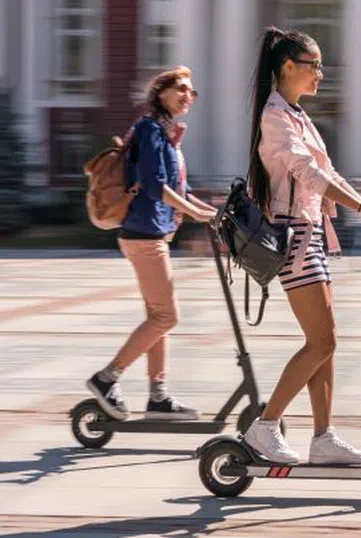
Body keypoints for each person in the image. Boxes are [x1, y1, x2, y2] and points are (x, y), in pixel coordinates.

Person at [241, 27, 361, 465]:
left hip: (311, 234)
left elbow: (329, 175)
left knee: (325, 342)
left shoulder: (297, 115)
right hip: (293, 239)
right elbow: (309, 175)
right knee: (322, 342)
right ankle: (265, 427)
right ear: (289, 67)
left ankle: (323, 438)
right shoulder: (275, 117)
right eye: (315, 65)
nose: (322, 74)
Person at [86, 65, 218, 421]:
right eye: (181, 89)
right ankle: (106, 378)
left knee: (157, 318)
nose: (188, 96)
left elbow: (181, 189)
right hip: (143, 236)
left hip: (152, 234)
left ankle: (158, 397)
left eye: (192, 92)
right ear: (161, 92)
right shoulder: (150, 130)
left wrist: (213, 212)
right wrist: (193, 213)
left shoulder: (167, 135)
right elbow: (154, 184)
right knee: (166, 316)